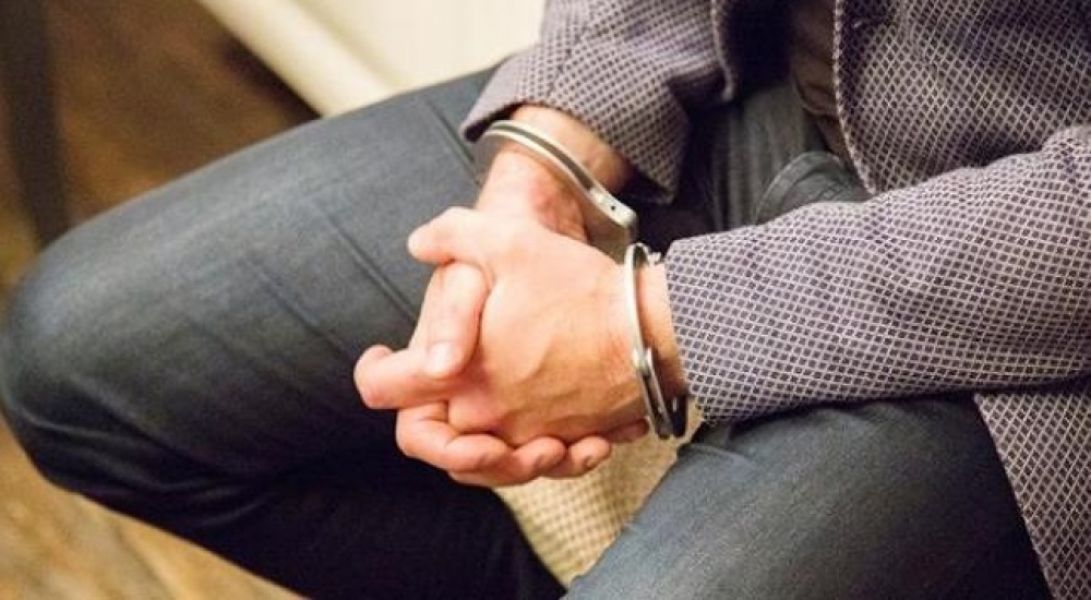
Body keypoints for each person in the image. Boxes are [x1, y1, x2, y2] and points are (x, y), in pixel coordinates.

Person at [1, 0, 1087, 597]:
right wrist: (543, 174)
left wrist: (643, 332)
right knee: (78, 362)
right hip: (765, 95)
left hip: (1036, 296)